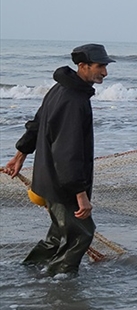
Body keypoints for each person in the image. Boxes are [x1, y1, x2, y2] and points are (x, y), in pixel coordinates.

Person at [2, 44, 116, 276]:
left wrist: (20, 154)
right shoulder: (74, 100)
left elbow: (37, 123)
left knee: (58, 234)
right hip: (62, 183)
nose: (105, 72)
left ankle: (29, 271)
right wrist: (80, 194)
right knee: (81, 235)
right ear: (82, 66)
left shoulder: (59, 89)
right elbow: (68, 152)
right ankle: (57, 281)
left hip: (48, 180)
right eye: (100, 66)